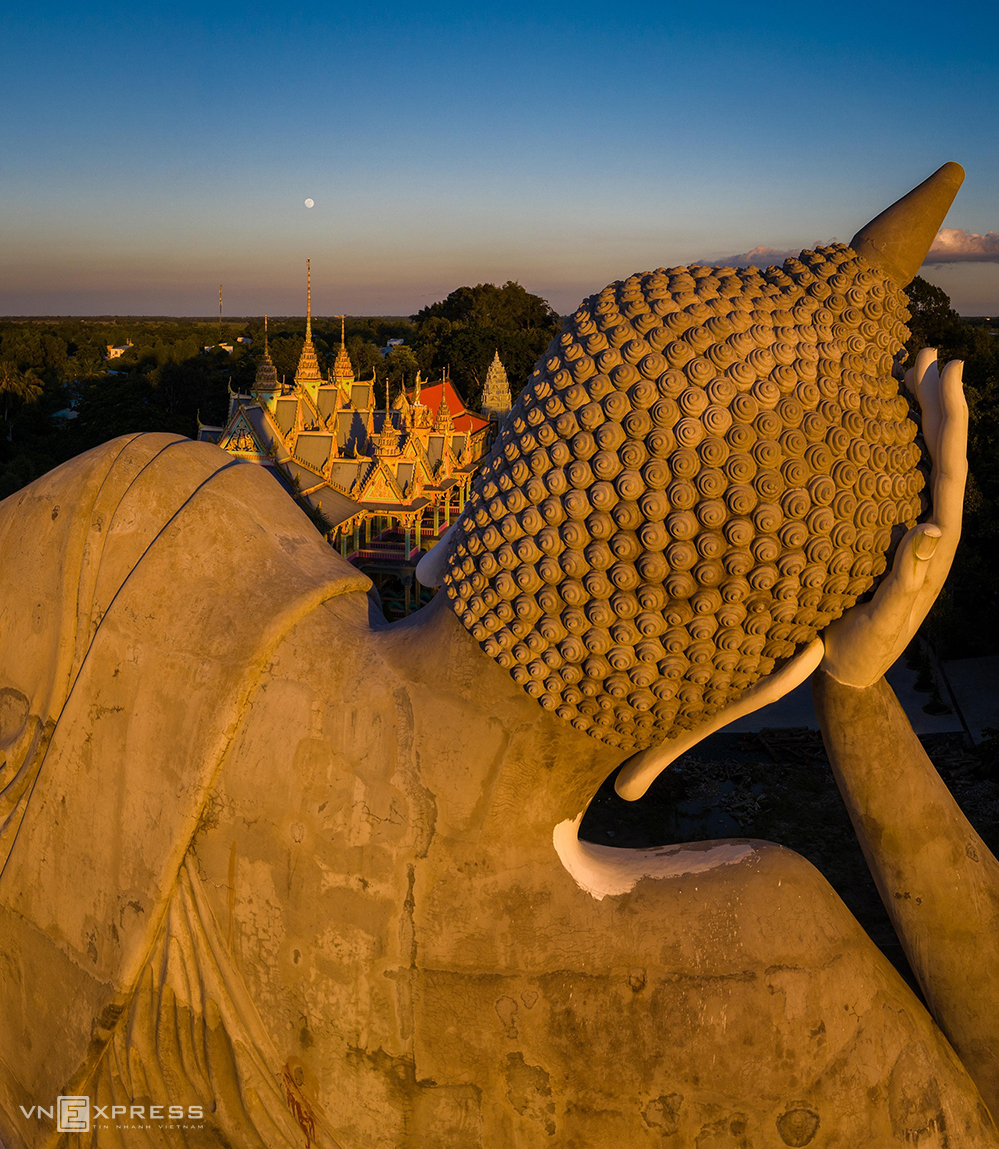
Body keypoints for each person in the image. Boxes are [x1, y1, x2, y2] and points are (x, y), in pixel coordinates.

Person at [1, 176, 996, 1149]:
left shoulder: (138, 529)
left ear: (479, 506)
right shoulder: (764, 972)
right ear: (738, 698)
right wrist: (855, 696)